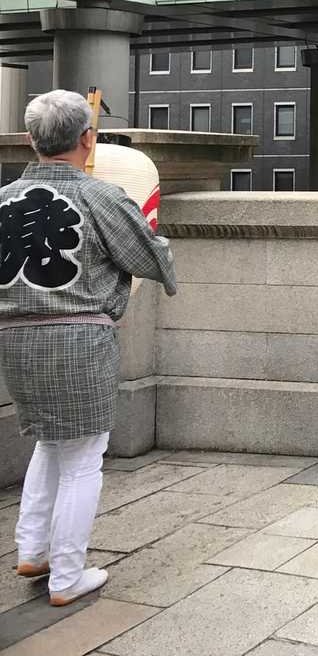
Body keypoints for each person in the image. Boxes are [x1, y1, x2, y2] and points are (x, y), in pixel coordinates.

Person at [0, 90, 177, 606]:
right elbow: (150, 258)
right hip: (77, 337)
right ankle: (66, 574)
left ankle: (33, 550)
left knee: (51, 442)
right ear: (87, 137)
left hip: (14, 337)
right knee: (82, 456)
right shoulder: (100, 196)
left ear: (32, 140)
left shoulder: (3, 198)